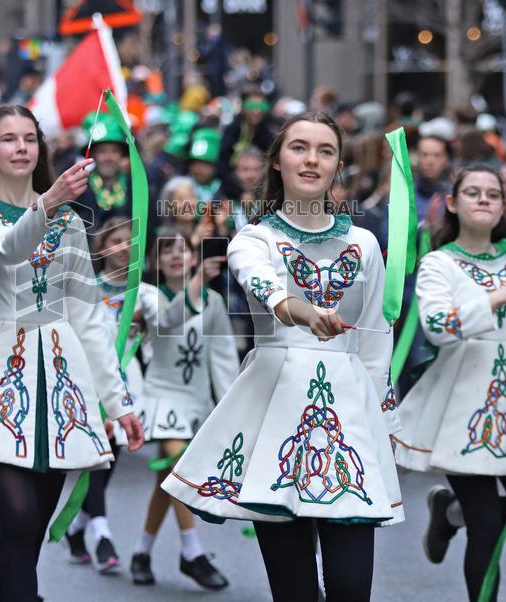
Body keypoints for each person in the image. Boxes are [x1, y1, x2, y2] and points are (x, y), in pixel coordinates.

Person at [162, 113, 403, 601]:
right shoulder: (254, 238)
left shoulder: (364, 244)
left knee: (352, 588)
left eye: (325, 150)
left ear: (338, 165)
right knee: (295, 591)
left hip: (349, 422)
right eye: (299, 147)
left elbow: (377, 340)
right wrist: (302, 311)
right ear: (277, 160)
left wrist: (385, 422)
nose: (312, 159)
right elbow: (262, 285)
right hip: (275, 416)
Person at [0, 104, 144, 602]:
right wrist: (49, 202)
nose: (21, 148)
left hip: (62, 381)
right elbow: (7, 248)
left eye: (29, 139)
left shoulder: (70, 222)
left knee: (30, 531)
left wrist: (118, 401)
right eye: (8, 139)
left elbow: (87, 315)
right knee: (17, 519)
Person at [392, 163, 506, 602]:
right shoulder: (439, 263)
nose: (484, 199)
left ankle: (449, 512)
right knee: (486, 528)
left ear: (504, 205)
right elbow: (437, 326)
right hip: (462, 405)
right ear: (453, 203)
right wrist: (496, 297)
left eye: (493, 193)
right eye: (473, 192)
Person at [129, 227, 238, 590]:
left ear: (194, 256)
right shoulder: (148, 295)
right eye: (166, 251)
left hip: (196, 401)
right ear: (155, 262)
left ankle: (142, 552)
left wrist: (231, 406)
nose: (176, 255)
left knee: (168, 482)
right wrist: (196, 283)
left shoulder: (214, 301)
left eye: (183, 249)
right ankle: (192, 552)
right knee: (179, 466)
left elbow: (222, 357)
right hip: (161, 397)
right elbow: (167, 320)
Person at [64, 216, 145, 573]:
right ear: (101, 246)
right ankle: (102, 534)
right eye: (116, 241)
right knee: (95, 459)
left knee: (108, 461)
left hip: (126, 386)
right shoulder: (86, 287)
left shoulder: (143, 292)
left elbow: (173, 322)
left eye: (129, 242)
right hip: (88, 382)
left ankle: (76, 527)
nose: (123, 248)